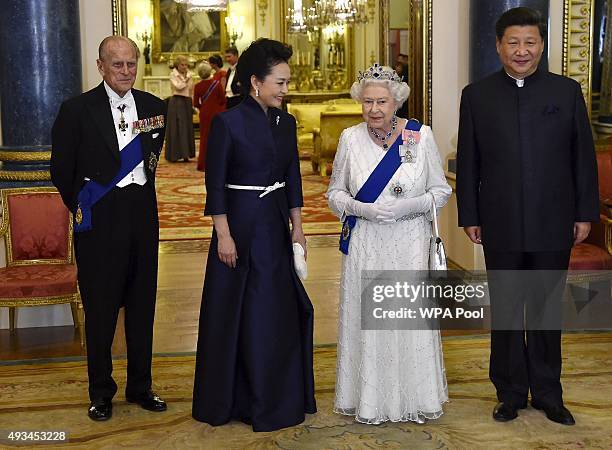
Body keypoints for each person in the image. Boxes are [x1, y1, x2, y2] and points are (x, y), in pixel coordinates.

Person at [456, 7, 599, 426]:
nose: (522, 51)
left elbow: (582, 160)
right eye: (513, 42)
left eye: (530, 42)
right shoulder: (477, 95)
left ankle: (549, 394)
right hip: (499, 222)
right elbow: (470, 162)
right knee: (505, 309)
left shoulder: (566, 92)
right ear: (499, 46)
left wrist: (584, 212)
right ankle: (509, 392)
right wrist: (470, 213)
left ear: (541, 45)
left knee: (544, 310)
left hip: (554, 221)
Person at [192, 38, 317, 432]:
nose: (285, 89)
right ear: (255, 83)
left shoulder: (286, 122)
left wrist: (298, 228)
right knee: (240, 313)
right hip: (240, 227)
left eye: (286, 81)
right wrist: (223, 236)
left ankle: (279, 394)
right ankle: (239, 397)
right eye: (279, 82)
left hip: (275, 226)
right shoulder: (227, 123)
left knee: (275, 311)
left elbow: (293, 178)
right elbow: (215, 186)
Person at [50, 35, 168, 421]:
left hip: (142, 216)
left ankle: (140, 386)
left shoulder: (154, 107)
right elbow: (61, 169)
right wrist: (83, 206)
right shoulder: (77, 110)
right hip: (99, 219)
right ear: (100, 66)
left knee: (141, 305)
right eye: (117, 64)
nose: (126, 71)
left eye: (131, 63)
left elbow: (150, 161)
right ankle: (101, 391)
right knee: (100, 311)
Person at [327, 63, 452, 424]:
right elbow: (334, 193)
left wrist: (410, 205)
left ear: (396, 101)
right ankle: (369, 400)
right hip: (367, 241)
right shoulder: (350, 139)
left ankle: (414, 396)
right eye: (367, 102)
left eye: (381, 101)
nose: (374, 110)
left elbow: (440, 191)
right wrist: (358, 207)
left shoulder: (419, 136)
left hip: (409, 241)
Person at [193, 61, 225, 171]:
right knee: (218, 138)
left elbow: (196, 104)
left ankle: (203, 164)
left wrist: (203, 107)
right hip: (217, 113)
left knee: (204, 138)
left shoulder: (197, 86)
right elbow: (222, 99)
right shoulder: (217, 84)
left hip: (204, 114)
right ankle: (217, 163)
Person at [165, 55, 195, 162]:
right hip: (177, 101)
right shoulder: (173, 74)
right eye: (182, 65)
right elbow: (178, 87)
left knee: (186, 127)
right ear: (177, 65)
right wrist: (186, 79)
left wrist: (192, 103)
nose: (185, 67)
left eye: (186, 64)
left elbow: (191, 89)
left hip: (187, 101)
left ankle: (186, 154)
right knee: (177, 127)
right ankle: (174, 155)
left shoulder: (190, 75)